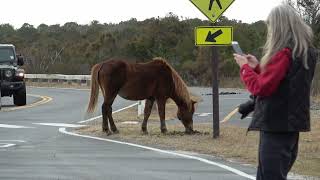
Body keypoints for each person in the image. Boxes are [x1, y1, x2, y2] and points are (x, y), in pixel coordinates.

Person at [233, 4, 318, 180]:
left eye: (271, 26)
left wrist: (244, 69)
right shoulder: (304, 52)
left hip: (275, 126)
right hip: (290, 127)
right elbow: (284, 84)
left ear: (278, 27)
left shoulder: (283, 53)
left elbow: (262, 88)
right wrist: (257, 67)